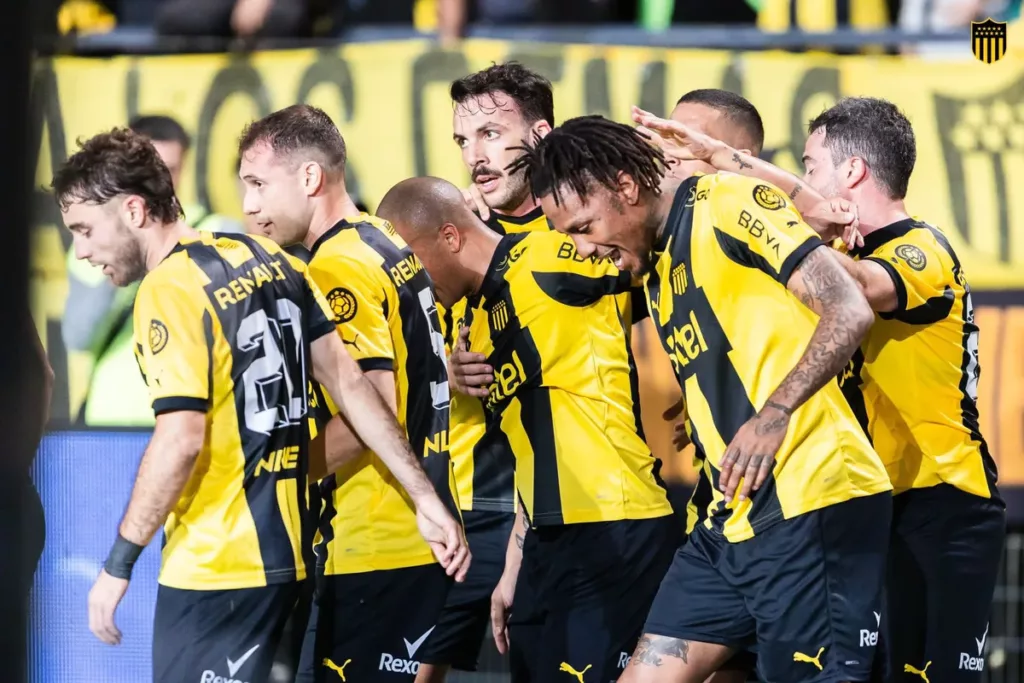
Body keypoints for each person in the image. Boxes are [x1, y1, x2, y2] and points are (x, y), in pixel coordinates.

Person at [53, 128, 467, 683]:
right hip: (290, 561)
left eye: (84, 230)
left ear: (133, 209)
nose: (81, 250)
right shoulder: (269, 258)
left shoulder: (169, 290)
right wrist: (425, 495)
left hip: (217, 568)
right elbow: (352, 386)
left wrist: (119, 562)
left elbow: (180, 439)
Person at [512, 115, 893, 683]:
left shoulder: (726, 204)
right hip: (729, 524)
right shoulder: (654, 260)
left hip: (810, 500)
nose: (582, 248)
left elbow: (850, 309)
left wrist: (774, 412)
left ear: (626, 185)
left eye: (583, 226)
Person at [644, 97, 1006, 683]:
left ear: (852, 173)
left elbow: (851, 289)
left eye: (810, 166)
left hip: (940, 499)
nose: (803, 181)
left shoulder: (920, 249)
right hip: (862, 498)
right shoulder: (839, 248)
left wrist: (738, 175)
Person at [378, 176, 681, 683]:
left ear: (449, 237)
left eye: (409, 260)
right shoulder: (467, 318)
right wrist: (516, 562)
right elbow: (526, 443)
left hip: (614, 524)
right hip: (544, 539)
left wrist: (703, 380)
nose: (407, 280)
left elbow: (656, 256)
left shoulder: (543, 256)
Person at [236, 104, 468, 683]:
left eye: (259, 184)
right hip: (417, 535)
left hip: (377, 544)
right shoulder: (383, 238)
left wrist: (276, 479)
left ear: (310, 179)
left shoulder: (338, 266)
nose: (249, 206)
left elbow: (372, 407)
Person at [416, 62, 557, 682]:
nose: (476, 155)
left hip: (556, 511)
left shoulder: (588, 235)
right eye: (463, 141)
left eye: (493, 134)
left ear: (542, 135)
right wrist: (442, 370)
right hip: (461, 513)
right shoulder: (450, 244)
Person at [62, 114, 242, 427]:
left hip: (192, 414)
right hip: (112, 416)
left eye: (170, 169)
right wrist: (126, 259)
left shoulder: (220, 233)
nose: (161, 182)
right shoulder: (93, 244)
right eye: (145, 169)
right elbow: (79, 336)